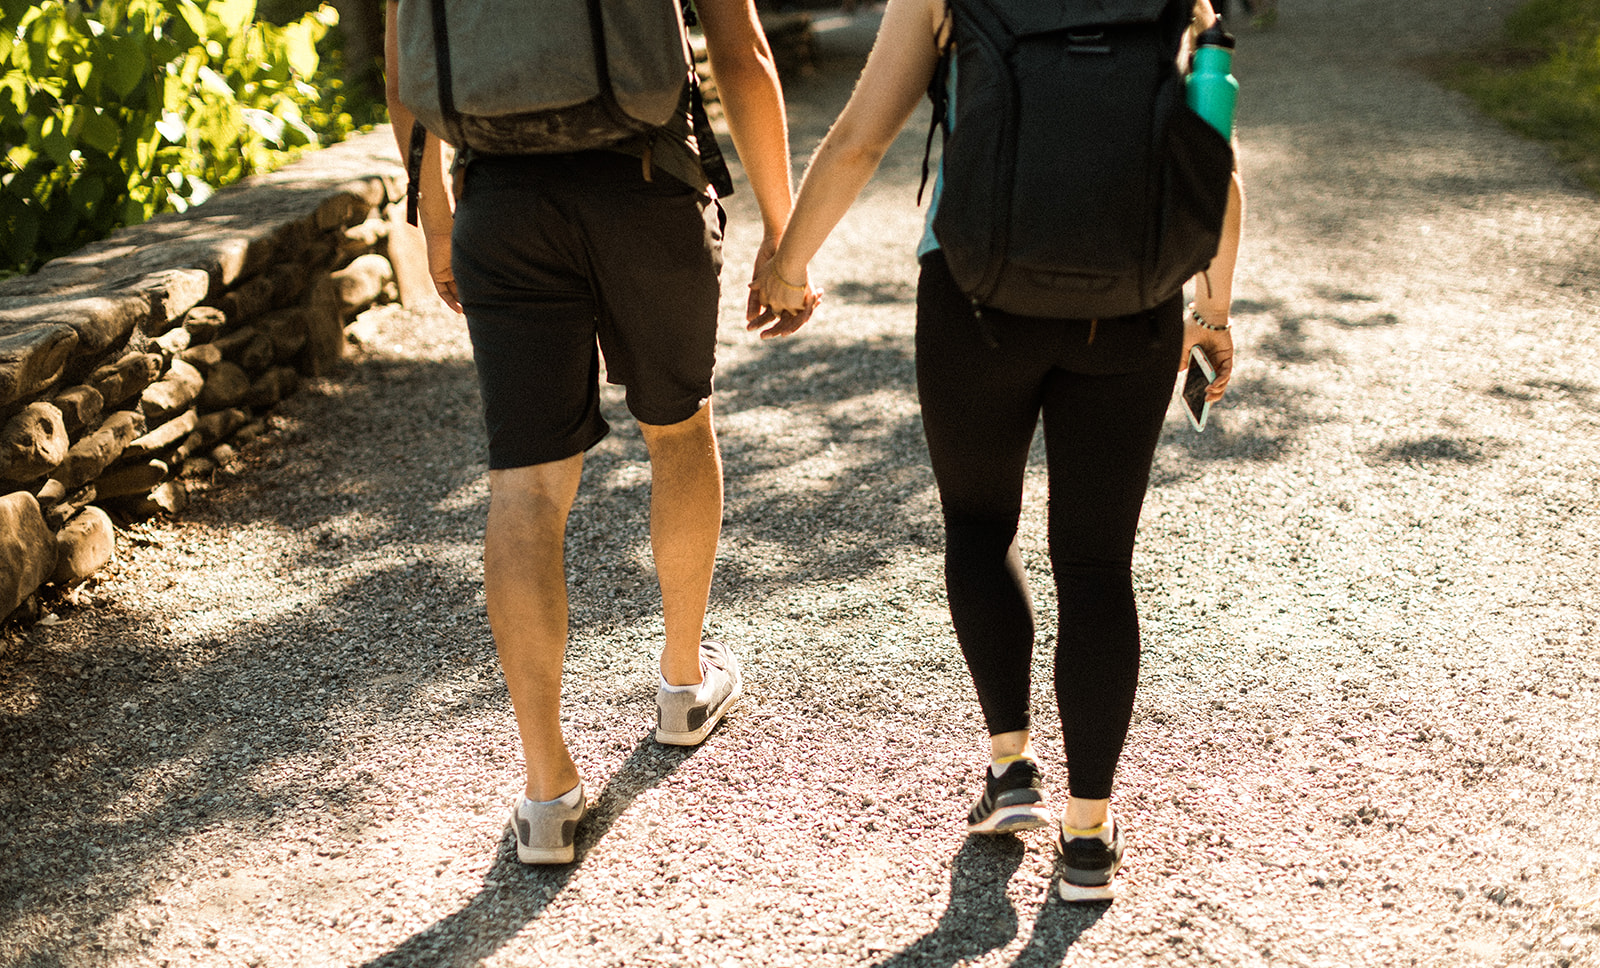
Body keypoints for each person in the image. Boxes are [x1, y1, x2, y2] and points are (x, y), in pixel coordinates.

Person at [749, 0, 1245, 900]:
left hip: (975, 296)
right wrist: (1210, 308)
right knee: (1097, 564)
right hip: (1132, 305)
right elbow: (1212, 155)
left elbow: (862, 135)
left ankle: (1011, 768)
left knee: (979, 524)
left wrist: (789, 263)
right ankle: (1089, 833)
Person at [385, 0, 810, 864]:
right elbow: (741, 47)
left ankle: (547, 794)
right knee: (679, 429)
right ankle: (684, 685)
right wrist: (783, 230)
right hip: (647, 185)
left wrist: (436, 221)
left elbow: (404, 72)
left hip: (501, 201)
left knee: (527, 486)